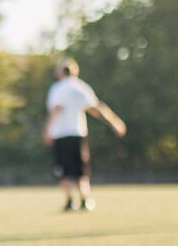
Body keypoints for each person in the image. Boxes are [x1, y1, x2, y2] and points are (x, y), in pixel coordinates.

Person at [43, 58, 126, 212]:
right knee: (82, 168)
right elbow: (96, 108)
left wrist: (48, 129)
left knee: (63, 169)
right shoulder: (81, 87)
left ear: (61, 72)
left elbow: (56, 109)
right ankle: (85, 199)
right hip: (77, 132)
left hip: (61, 133)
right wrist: (115, 122)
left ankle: (69, 200)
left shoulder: (58, 88)